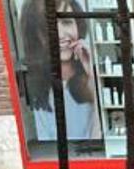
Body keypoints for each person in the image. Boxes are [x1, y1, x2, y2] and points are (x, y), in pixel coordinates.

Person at [21, 0, 101, 141]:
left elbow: (100, 138)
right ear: (37, 36)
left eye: (67, 22)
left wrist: (92, 76)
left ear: (78, 25)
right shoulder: (37, 90)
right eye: (49, 26)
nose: (60, 34)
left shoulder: (91, 77)